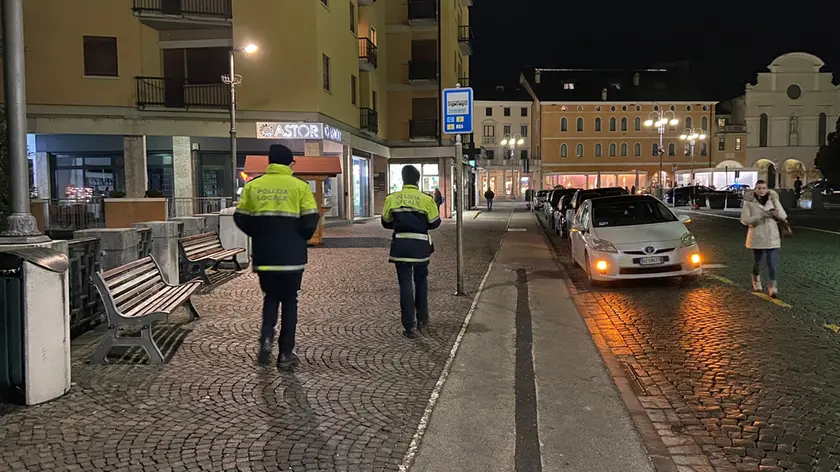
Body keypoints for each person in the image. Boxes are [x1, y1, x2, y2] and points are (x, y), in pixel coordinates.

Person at [234, 144, 319, 368]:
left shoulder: (253, 186)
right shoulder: (300, 187)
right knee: (290, 301)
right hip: (292, 257)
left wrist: (259, 234)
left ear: (270, 162)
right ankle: (285, 355)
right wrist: (298, 238)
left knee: (270, 297)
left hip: (265, 254)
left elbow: (240, 217)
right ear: (289, 163)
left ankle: (266, 337)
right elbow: (311, 219)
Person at [381, 165, 441, 338]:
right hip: (421, 248)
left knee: (405, 285)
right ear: (417, 179)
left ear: (402, 178)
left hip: (400, 246)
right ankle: (423, 319)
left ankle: (409, 325)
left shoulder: (392, 198)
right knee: (421, 282)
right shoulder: (426, 199)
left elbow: (385, 222)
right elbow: (435, 222)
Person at [740, 179, 787, 298]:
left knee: (772, 263)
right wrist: (760, 215)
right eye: (759, 188)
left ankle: (773, 288)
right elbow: (744, 220)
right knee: (758, 262)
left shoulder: (773, 200)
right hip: (757, 235)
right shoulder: (749, 202)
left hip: (772, 236)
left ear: (767, 189)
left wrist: (776, 206)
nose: (761, 190)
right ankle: (756, 280)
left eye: (764, 188)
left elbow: (783, 216)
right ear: (755, 189)